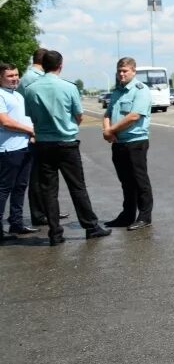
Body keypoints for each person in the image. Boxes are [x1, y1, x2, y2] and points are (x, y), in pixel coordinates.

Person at [22, 50, 111, 246]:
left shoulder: (31, 89)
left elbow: (31, 116)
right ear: (60, 66)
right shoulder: (69, 87)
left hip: (43, 144)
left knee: (48, 190)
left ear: (42, 65)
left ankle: (55, 233)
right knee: (77, 186)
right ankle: (91, 226)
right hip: (66, 143)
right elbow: (79, 115)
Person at [103, 57, 154, 230]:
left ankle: (145, 216)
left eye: (125, 71)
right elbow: (107, 113)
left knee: (140, 181)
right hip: (118, 143)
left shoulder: (141, 90)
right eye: (119, 71)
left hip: (135, 142)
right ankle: (127, 215)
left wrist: (111, 130)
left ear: (133, 71)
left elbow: (134, 116)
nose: (121, 74)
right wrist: (107, 130)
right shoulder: (117, 92)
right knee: (125, 181)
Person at [18, 47, 55, 227]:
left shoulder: (29, 76)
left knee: (41, 175)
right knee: (37, 176)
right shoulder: (34, 78)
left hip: (33, 129)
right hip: (34, 130)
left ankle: (46, 210)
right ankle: (39, 214)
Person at [0, 63, 38, 241]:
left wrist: (30, 133)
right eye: (10, 76)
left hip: (24, 147)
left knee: (20, 187)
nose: (15, 78)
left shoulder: (17, 95)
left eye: (16, 75)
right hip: (8, 150)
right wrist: (29, 130)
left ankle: (16, 222)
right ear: (1, 78)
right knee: (4, 190)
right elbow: (5, 122)